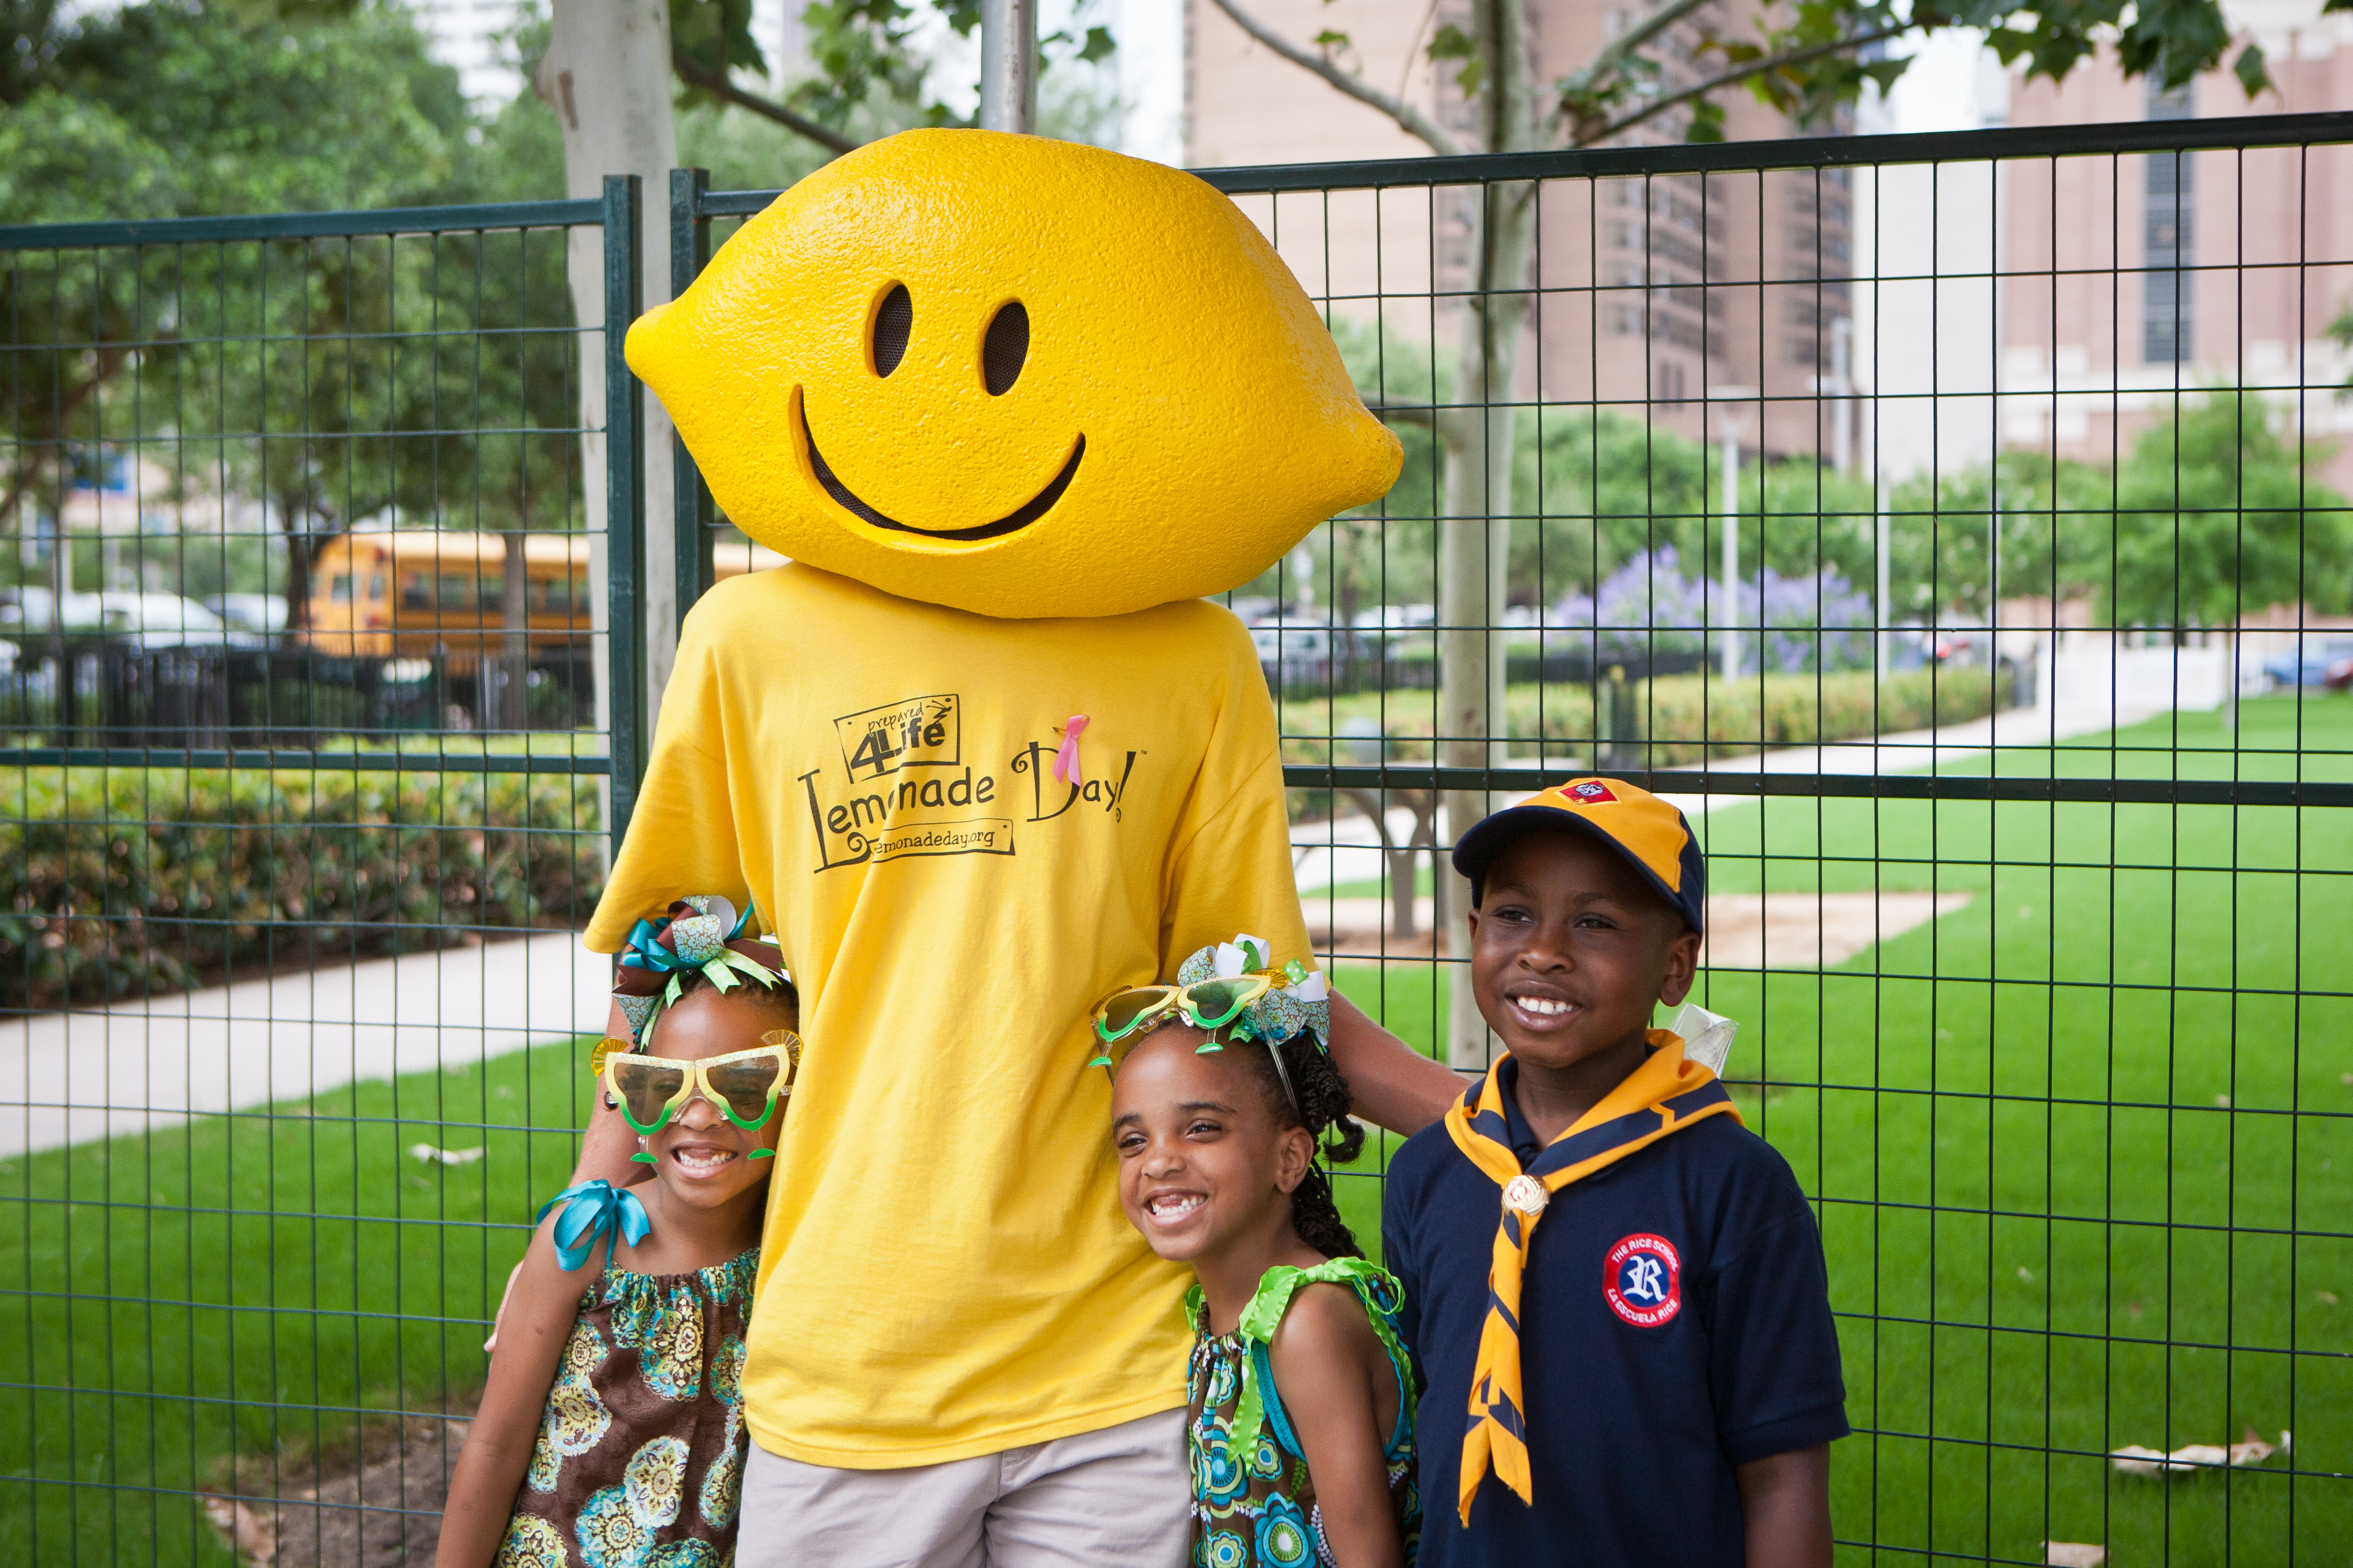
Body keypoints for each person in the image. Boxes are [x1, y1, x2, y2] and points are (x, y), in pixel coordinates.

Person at [565, 128, 1465, 1567]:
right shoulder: (745, 638)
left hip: (1112, 1352)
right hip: (845, 1357)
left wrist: (1481, 1116)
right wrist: (575, 1225)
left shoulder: (1197, 658)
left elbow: (1249, 986)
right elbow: (668, 967)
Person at [1381, 779, 1848, 1568]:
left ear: (1676, 966)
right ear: (1473, 931)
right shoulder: (1429, 1171)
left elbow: (1783, 1476)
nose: (1543, 949)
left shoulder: (1734, 1186)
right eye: (1514, 914)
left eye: (1594, 922)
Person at [439, 900, 801, 1568]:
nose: (697, 1114)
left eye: (743, 1081)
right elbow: (495, 1442)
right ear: (628, 1095)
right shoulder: (586, 1239)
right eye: (660, 1083)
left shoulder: (790, 1249)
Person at [1102, 937, 1418, 1568]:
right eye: (1133, 1140)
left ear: (1290, 1157)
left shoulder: (1307, 1321)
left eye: (1201, 1127)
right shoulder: (1222, 1314)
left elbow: (1366, 1554)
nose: (1159, 1159)